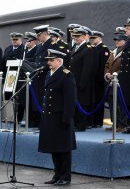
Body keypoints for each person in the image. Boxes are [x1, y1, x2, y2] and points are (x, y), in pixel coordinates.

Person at [38, 49, 76, 186]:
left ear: (59, 61)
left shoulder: (66, 75)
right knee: (54, 148)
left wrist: (67, 118)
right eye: (48, 60)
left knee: (64, 150)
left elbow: (70, 99)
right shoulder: (49, 74)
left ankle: (65, 177)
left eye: (51, 60)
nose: (48, 62)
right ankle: (57, 174)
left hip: (61, 117)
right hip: (50, 117)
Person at [31, 24, 57, 128]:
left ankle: (44, 122)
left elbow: (52, 61)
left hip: (46, 76)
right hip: (37, 76)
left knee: (44, 100)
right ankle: (37, 121)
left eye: (39, 35)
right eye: (37, 35)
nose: (37, 37)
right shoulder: (39, 46)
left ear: (45, 33)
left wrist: (39, 66)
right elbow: (36, 59)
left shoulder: (52, 45)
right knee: (37, 99)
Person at [68, 27, 95, 131]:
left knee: (82, 103)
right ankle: (75, 123)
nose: (75, 38)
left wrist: (82, 84)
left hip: (81, 82)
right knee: (75, 103)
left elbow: (87, 69)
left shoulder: (88, 49)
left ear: (84, 36)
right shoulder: (75, 47)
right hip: (73, 81)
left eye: (78, 36)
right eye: (74, 36)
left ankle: (81, 125)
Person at [104, 33, 128, 132]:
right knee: (112, 104)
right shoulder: (113, 52)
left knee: (121, 104)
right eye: (116, 40)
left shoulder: (126, 52)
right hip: (111, 82)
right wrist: (106, 74)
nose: (117, 42)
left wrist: (114, 74)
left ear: (125, 41)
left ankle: (122, 125)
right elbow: (107, 65)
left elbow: (125, 67)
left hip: (120, 82)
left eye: (119, 40)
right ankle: (115, 123)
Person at [2, 32, 26, 123]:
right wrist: (3, 76)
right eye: (13, 40)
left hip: (19, 76)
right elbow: (3, 63)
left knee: (19, 98)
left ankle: (18, 118)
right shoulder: (8, 49)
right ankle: (10, 116)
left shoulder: (24, 50)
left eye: (16, 40)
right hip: (9, 76)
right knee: (8, 96)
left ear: (21, 40)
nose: (14, 41)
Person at [90, 30, 111, 128]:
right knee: (94, 100)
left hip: (99, 80)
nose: (92, 40)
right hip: (93, 79)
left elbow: (103, 66)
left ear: (99, 38)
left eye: (94, 38)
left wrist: (99, 78)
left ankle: (98, 121)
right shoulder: (94, 48)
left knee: (99, 100)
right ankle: (94, 120)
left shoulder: (104, 49)